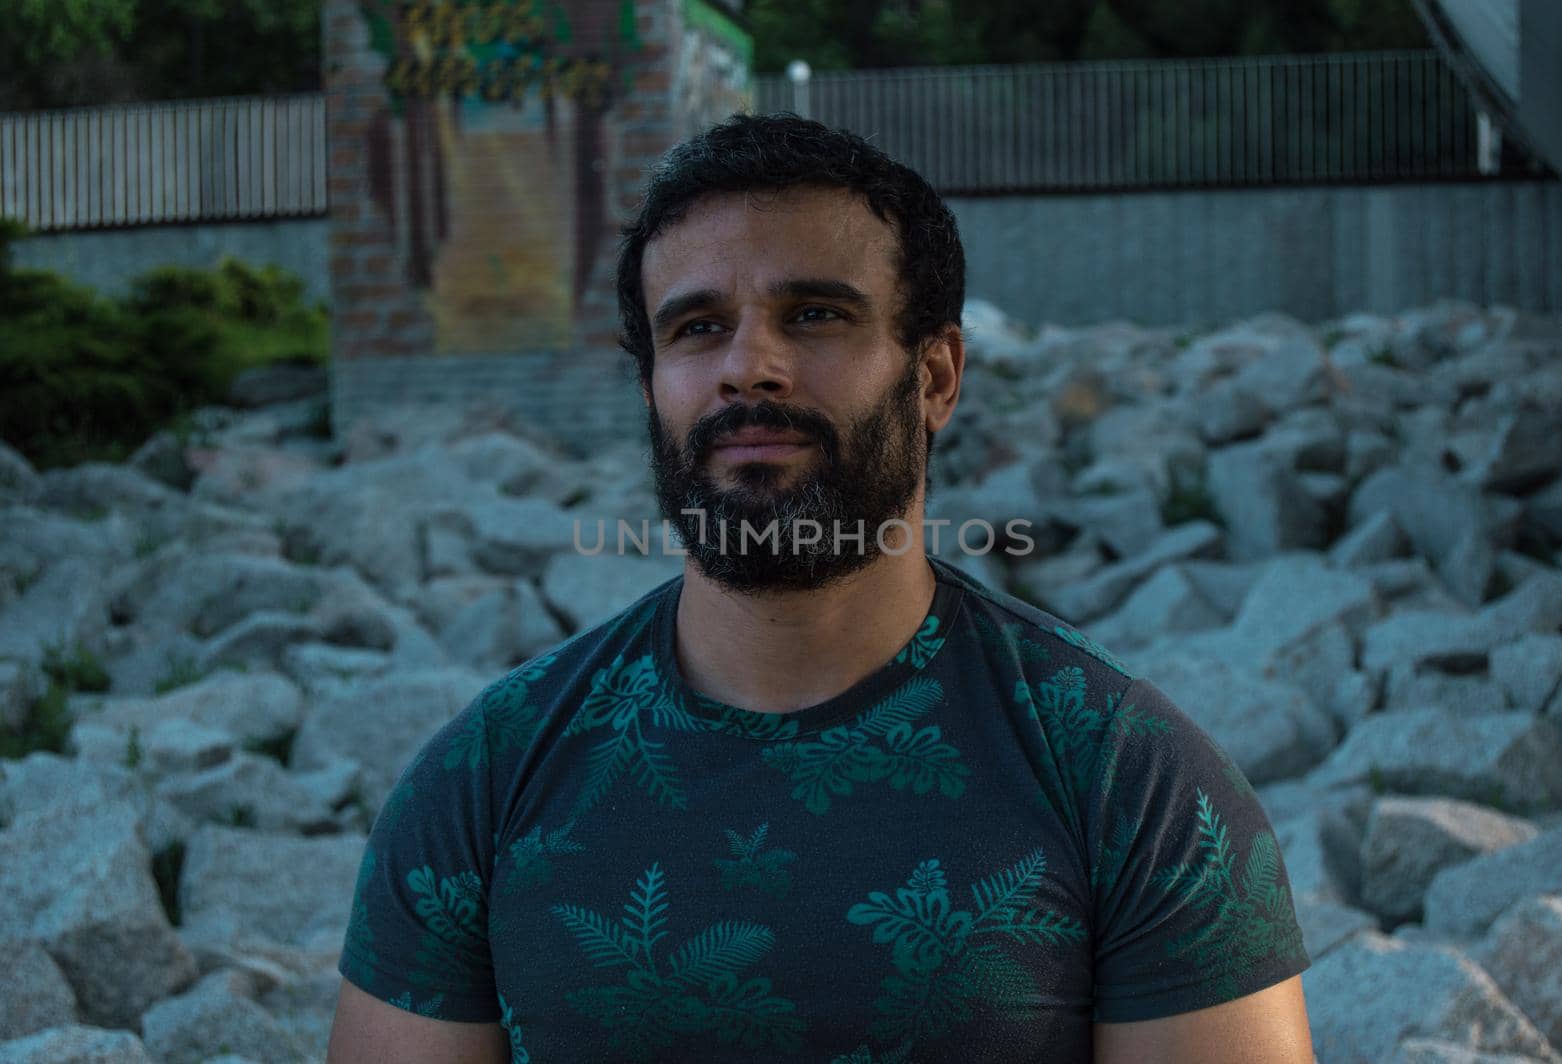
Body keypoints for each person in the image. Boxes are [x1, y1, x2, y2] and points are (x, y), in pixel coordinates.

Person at [326, 113, 1315, 1063]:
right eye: (698, 326)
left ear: (934, 377)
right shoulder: (484, 782)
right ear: (650, 388)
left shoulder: (1126, 779)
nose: (749, 366)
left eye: (815, 314)